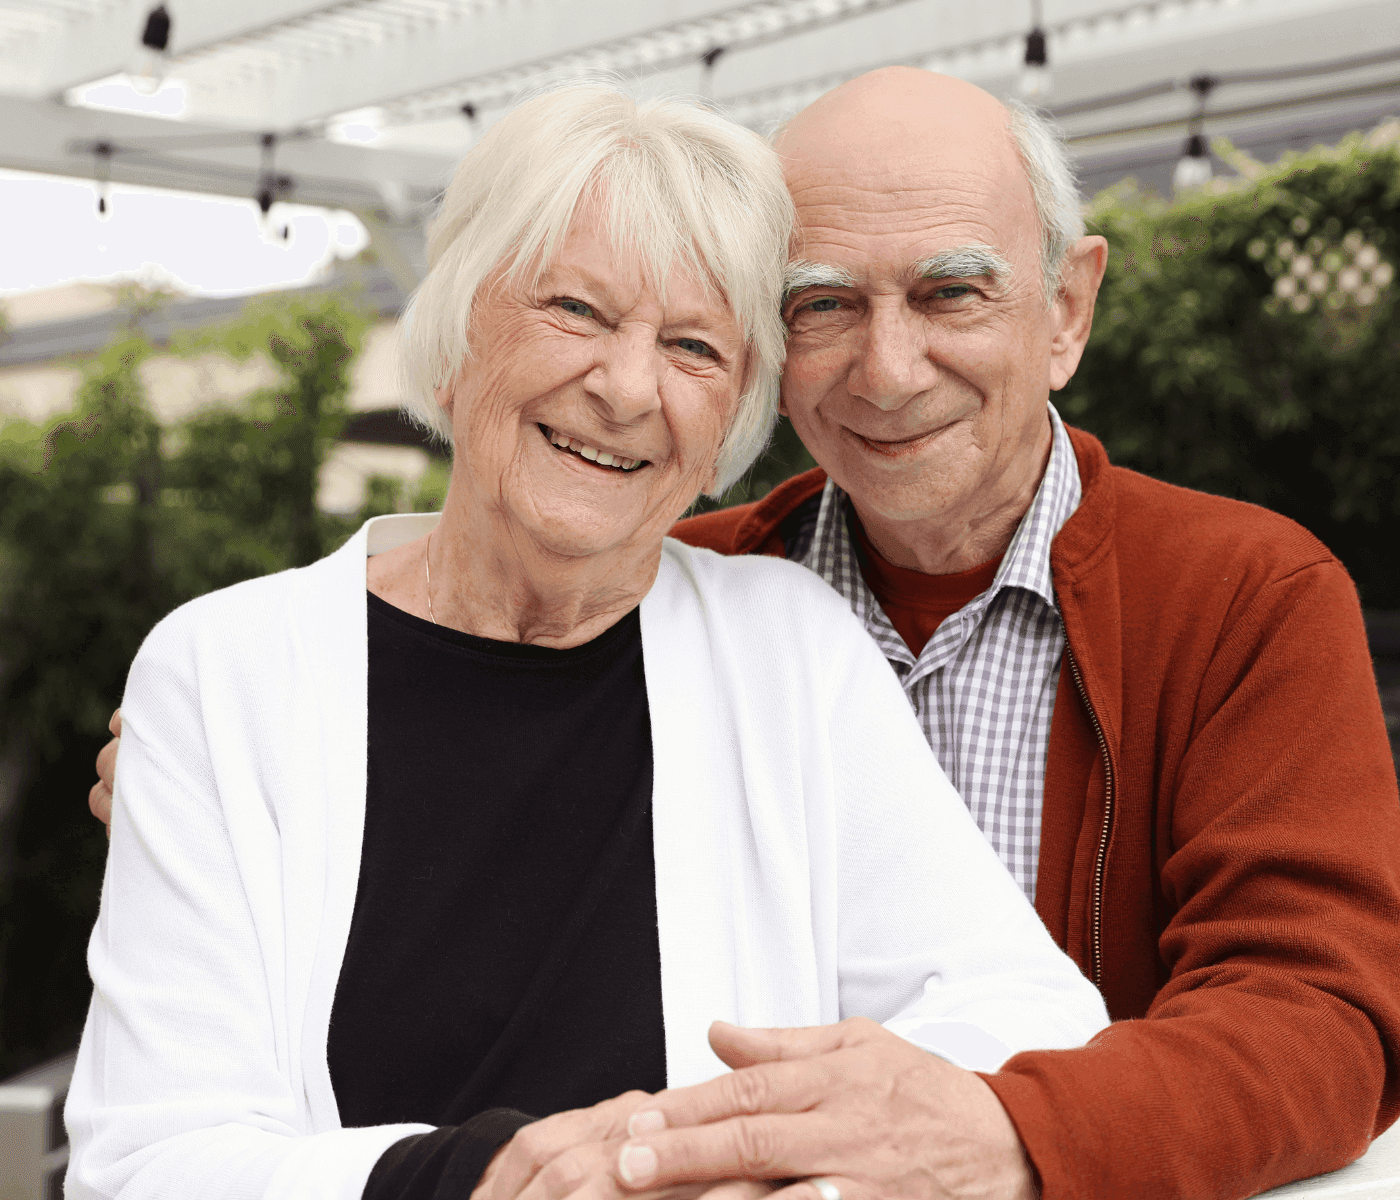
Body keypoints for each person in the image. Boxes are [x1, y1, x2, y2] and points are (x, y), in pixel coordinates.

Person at [65, 83, 1111, 1200]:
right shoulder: (225, 676)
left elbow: (1022, 1018)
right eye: (574, 309)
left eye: (693, 346)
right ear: (460, 327)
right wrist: (482, 1178)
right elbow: (144, 1162)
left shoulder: (790, 645)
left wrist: (788, 1156)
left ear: (735, 414)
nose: (624, 387)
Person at [397, 67, 1400, 1200]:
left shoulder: (1241, 597)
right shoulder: (680, 587)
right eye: (821, 304)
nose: (886, 370)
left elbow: (1322, 1018)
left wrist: (1009, 1137)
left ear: (1065, 308)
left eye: (949, 294)